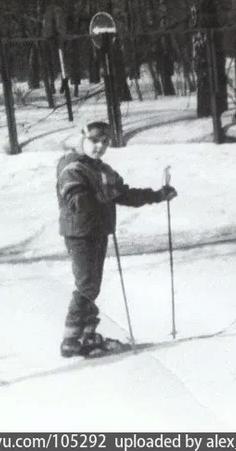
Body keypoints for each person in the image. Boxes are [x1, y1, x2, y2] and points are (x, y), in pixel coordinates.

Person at [56, 121, 177, 358]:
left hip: (98, 231)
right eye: (94, 141)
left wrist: (157, 195)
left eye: (105, 142)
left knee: (92, 285)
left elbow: (125, 194)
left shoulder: (102, 169)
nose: (99, 147)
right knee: (86, 285)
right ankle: (71, 339)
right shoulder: (71, 166)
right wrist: (102, 195)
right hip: (79, 233)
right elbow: (75, 198)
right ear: (82, 139)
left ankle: (86, 335)